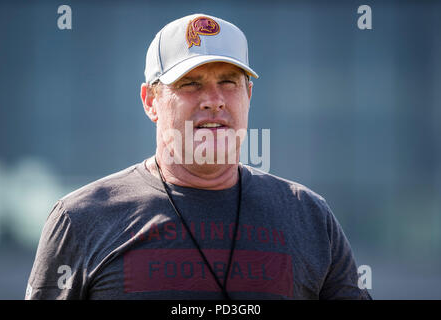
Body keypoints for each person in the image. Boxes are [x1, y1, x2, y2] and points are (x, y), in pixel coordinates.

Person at [25, 13, 371, 300]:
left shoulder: (309, 216)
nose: (214, 100)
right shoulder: (82, 218)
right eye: (190, 83)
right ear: (150, 101)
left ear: (248, 94)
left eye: (229, 82)